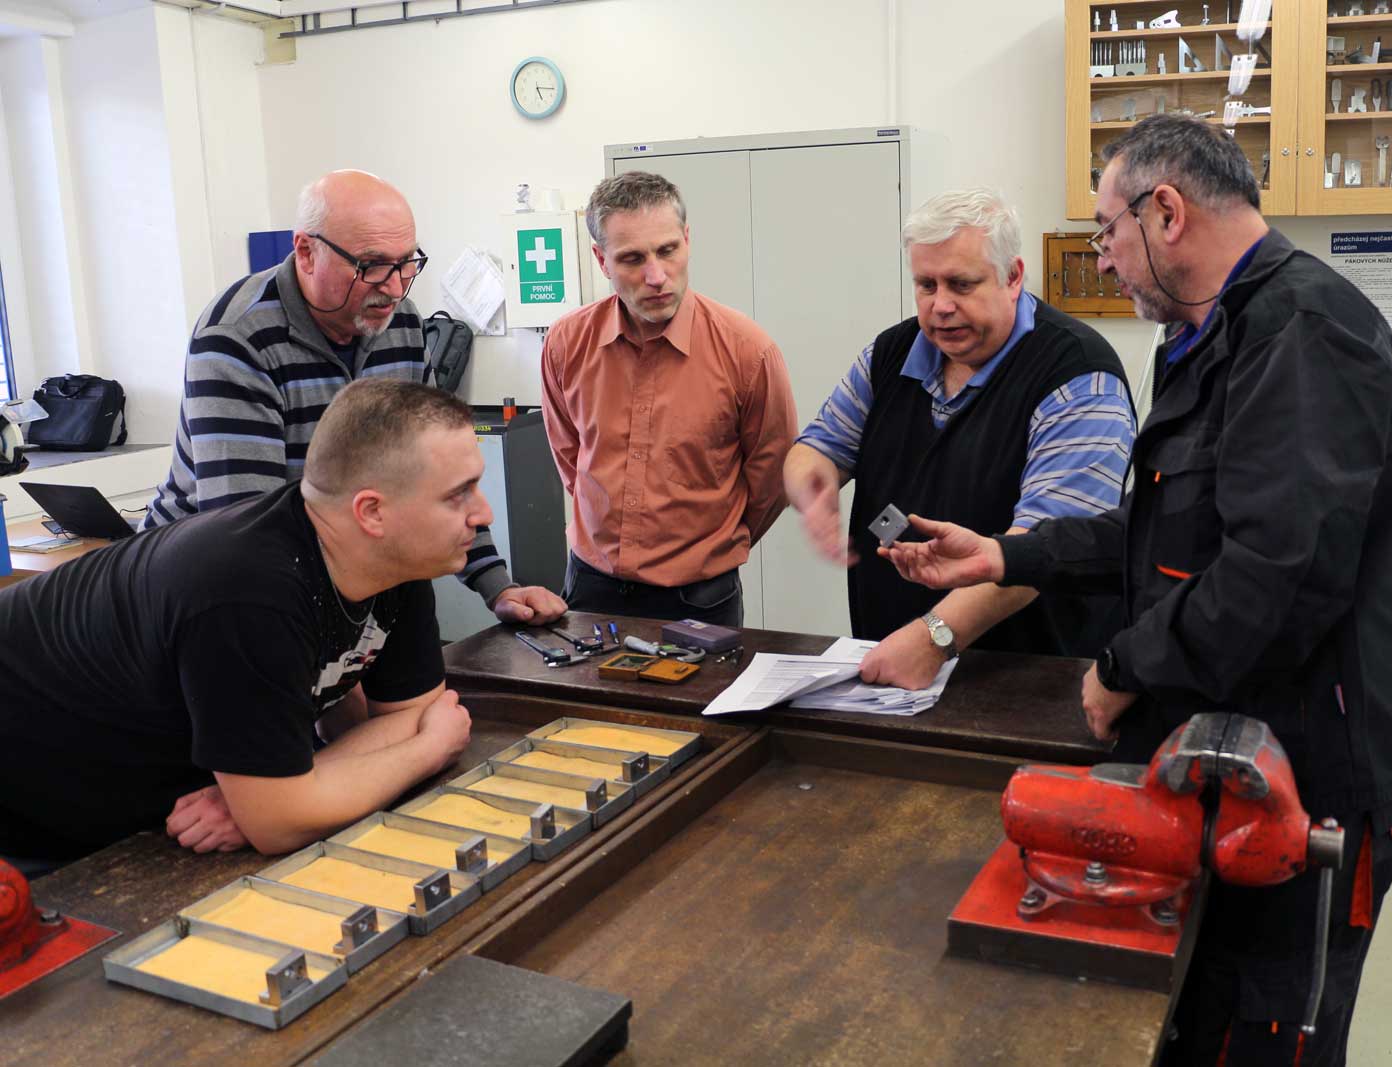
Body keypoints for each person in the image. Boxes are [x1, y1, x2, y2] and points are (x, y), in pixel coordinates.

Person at [880, 116, 1392, 1065]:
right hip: (1243, 736)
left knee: (1265, 1027)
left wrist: (1123, 664)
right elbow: (1163, 529)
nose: (1103, 259)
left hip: (1320, 762)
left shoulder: (1305, 333)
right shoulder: (1208, 333)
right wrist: (1006, 555)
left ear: (1166, 212)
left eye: (1107, 231)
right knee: (1200, 1002)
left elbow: (1277, 573)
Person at [0, 379, 492, 872]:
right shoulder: (248, 591)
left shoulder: (392, 562)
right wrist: (430, 750)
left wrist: (283, 794)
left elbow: (408, 716)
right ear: (372, 512)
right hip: (27, 812)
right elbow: (284, 822)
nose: (483, 513)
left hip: (128, 800)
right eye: (458, 495)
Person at [142, 168, 563, 626]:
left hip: (342, 581)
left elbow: (440, 475)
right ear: (306, 252)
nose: (394, 287)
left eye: (406, 263)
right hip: (206, 593)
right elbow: (247, 531)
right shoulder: (237, 338)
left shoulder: (401, 324)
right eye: (371, 265)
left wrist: (498, 587)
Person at [783, 189, 1135, 690]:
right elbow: (817, 447)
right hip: (894, 669)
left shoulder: (1080, 376)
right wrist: (812, 488)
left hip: (1033, 683)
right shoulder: (890, 354)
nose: (940, 306)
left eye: (962, 284)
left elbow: (1044, 548)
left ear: (1013, 277)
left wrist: (933, 638)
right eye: (926, 285)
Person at [540, 171, 797, 628]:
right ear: (601, 260)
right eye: (632, 258)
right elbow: (570, 457)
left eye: (667, 250)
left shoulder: (748, 352)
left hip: (699, 599)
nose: (656, 276)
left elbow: (772, 479)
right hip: (591, 586)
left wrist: (708, 547)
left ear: (687, 240)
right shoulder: (566, 343)